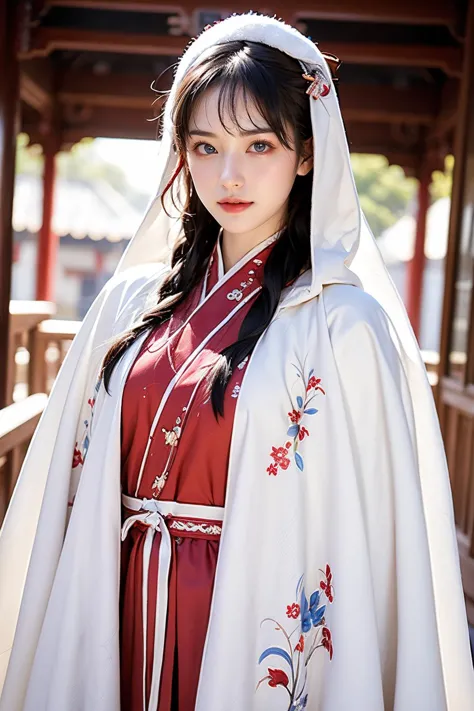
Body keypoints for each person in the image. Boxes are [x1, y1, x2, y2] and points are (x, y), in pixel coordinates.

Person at [0, 12, 473, 711]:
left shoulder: (347, 325)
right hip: (120, 593)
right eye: (205, 146)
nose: (230, 174)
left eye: (259, 145)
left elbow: (369, 542)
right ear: (179, 153)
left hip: (245, 610)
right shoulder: (132, 300)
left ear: (306, 153)